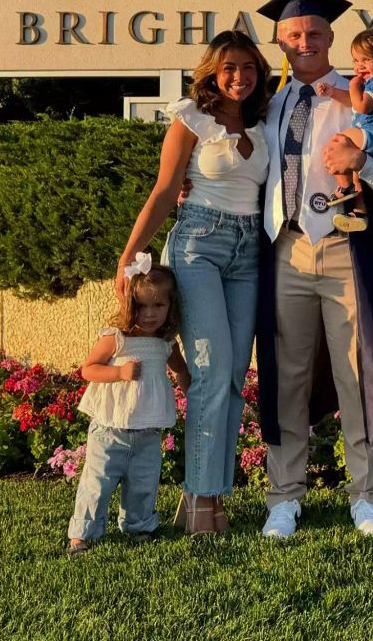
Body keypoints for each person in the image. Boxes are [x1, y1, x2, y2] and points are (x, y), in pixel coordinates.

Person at [255, 0, 373, 538]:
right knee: (288, 375)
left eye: (316, 33)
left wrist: (363, 164)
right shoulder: (266, 105)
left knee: (357, 371)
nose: (306, 41)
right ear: (281, 41)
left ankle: (366, 496)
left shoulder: (365, 95)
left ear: (331, 37)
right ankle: (284, 496)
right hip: (287, 248)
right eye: (295, 34)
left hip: (348, 246)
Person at [115, 30, 271, 535]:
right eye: (228, 68)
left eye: (248, 68)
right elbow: (164, 190)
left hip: (250, 252)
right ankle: (204, 503)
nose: (239, 77)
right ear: (211, 71)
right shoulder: (191, 118)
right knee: (210, 370)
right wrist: (129, 254)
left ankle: (206, 497)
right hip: (199, 243)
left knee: (230, 379)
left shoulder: (264, 121)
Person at [67, 256, 190, 554]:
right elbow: (88, 369)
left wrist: (193, 396)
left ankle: (139, 526)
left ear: (170, 306)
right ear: (128, 304)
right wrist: (118, 373)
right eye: (141, 306)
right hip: (110, 429)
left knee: (143, 482)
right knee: (97, 483)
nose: (149, 314)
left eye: (158, 306)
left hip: (147, 430)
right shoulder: (117, 339)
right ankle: (83, 533)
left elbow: (181, 371)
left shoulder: (165, 343)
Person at [316, 25, 373, 233]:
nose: (359, 66)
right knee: (358, 175)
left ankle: (344, 187)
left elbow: (362, 106)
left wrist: (353, 86)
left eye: (366, 60)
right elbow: (354, 103)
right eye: (356, 60)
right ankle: (360, 212)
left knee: (337, 143)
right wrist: (333, 92)